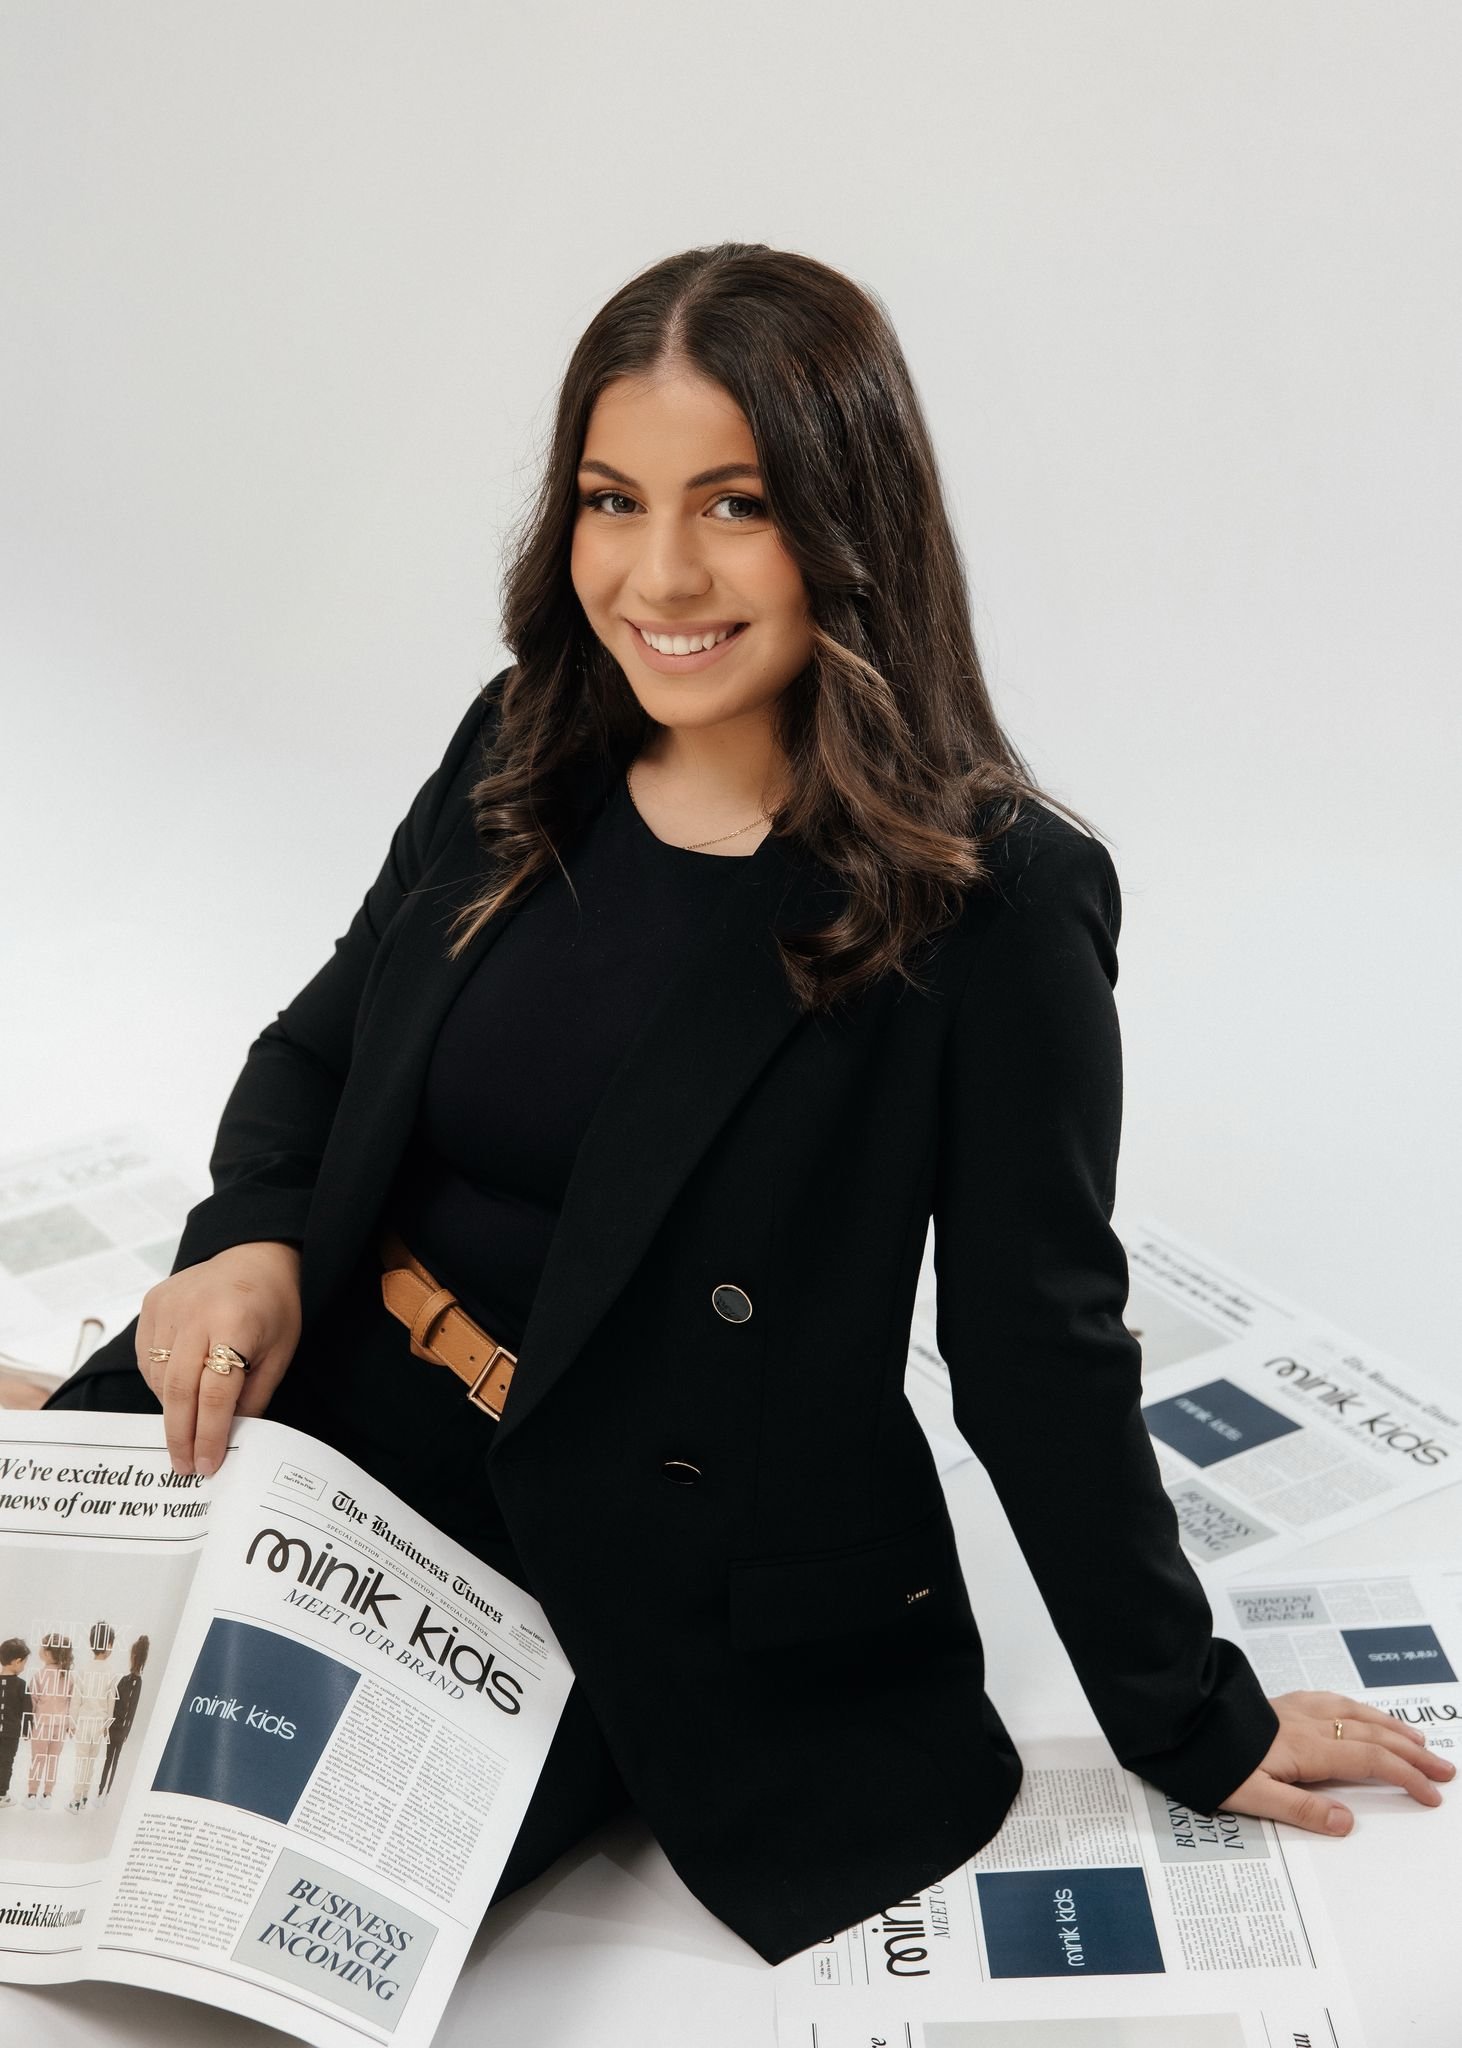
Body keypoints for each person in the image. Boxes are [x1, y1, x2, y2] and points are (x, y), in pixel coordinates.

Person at [39, 242, 1452, 1960]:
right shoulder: (518, 745)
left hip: (612, 1555)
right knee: (51, 1756)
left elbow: (1037, 1351)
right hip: (322, 1397)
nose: (659, 574)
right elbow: (319, 1054)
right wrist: (249, 1240)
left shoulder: (990, 900)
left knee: (216, 1909)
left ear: (849, 527)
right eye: (611, 501)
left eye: (735, 504)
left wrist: (1192, 1712)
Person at [67, 1621, 118, 1812]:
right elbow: (111, 1701)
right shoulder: (111, 1671)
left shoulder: (84, 1669)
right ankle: (84, 1796)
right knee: (91, 1760)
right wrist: (107, 1724)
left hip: (83, 1722)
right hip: (99, 1724)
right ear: (109, 1645)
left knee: (82, 1760)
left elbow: (76, 1699)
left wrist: (72, 1721)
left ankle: (76, 1798)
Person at [96, 1634, 148, 1806]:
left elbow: (131, 1710)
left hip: (120, 1729)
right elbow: (115, 1702)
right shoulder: (125, 1680)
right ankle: (101, 1792)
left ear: (135, 1656)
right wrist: (109, 1724)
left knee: (112, 1760)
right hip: (116, 1727)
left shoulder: (136, 1682)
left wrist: (126, 1731)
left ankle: (105, 1793)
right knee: (110, 1760)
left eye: (132, 1655)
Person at [24, 1632, 73, 1809]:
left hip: (41, 1725)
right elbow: (71, 1703)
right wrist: (69, 1723)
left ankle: (31, 1794)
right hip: (60, 1726)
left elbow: (32, 1703)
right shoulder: (68, 1676)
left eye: (42, 1647)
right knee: (53, 1760)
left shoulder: (39, 1675)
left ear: (47, 1653)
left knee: (37, 1760)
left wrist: (27, 1727)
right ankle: (48, 1795)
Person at [0, 1639, 32, 1807]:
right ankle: (1, 1795)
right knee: (6, 1762)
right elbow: (27, 1710)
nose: (24, 1667)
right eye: (24, 1663)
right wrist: (27, 1730)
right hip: (10, 1733)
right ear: (17, 1661)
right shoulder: (22, 1685)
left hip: (8, 1732)